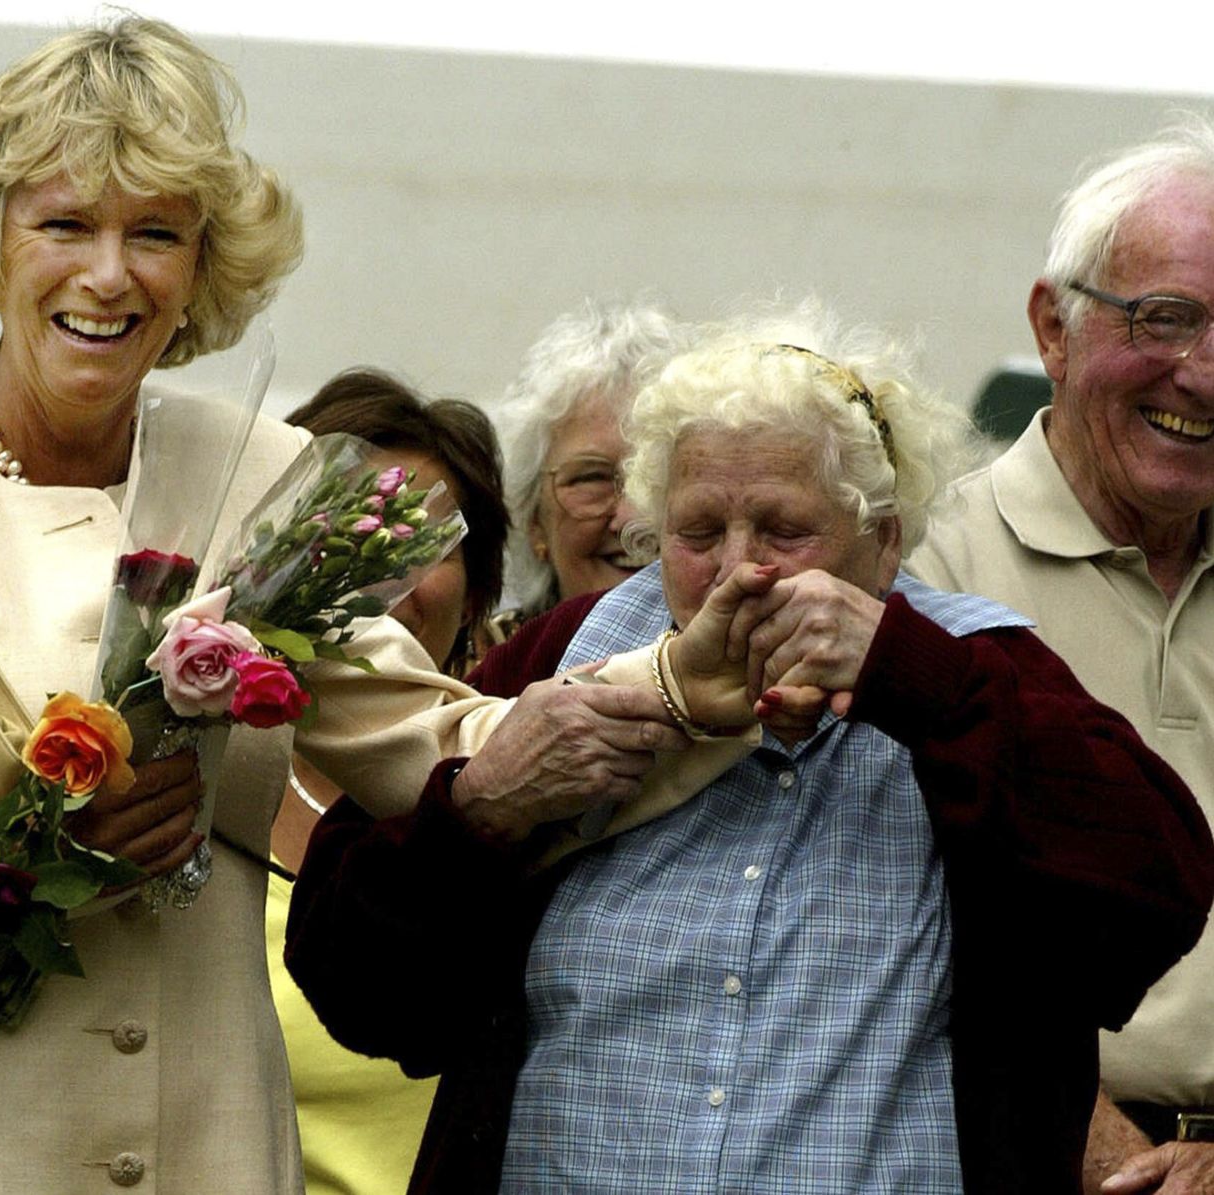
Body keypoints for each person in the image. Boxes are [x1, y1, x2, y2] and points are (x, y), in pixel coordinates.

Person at [0, 20, 638, 1193]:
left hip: (200, 1149)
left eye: (154, 233)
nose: (109, 274)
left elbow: (433, 736)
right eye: (65, 224)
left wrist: (669, 691)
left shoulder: (262, 467)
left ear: (203, 265)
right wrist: (26, 851)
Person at [286, 306, 1214, 1193]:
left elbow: (1155, 893)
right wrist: (483, 805)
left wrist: (907, 674)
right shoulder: (567, 658)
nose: (738, 570)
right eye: (696, 533)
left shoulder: (973, 669)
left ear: (883, 543)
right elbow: (356, 986)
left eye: (783, 529)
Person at [911, 116, 1214, 1195]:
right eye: (1165, 319)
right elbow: (881, 918)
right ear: (1053, 327)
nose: (1204, 375)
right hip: (1007, 1154)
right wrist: (1105, 1150)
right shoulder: (924, 573)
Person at [267, 368, 509, 1195]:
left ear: (479, 589)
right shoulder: (183, 780)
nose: (383, 564)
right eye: (349, 525)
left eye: (425, 538)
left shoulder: (523, 794)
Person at [488, 299, 693, 641]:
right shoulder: (477, 683)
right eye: (592, 477)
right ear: (534, 521)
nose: (633, 519)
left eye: (659, 476)